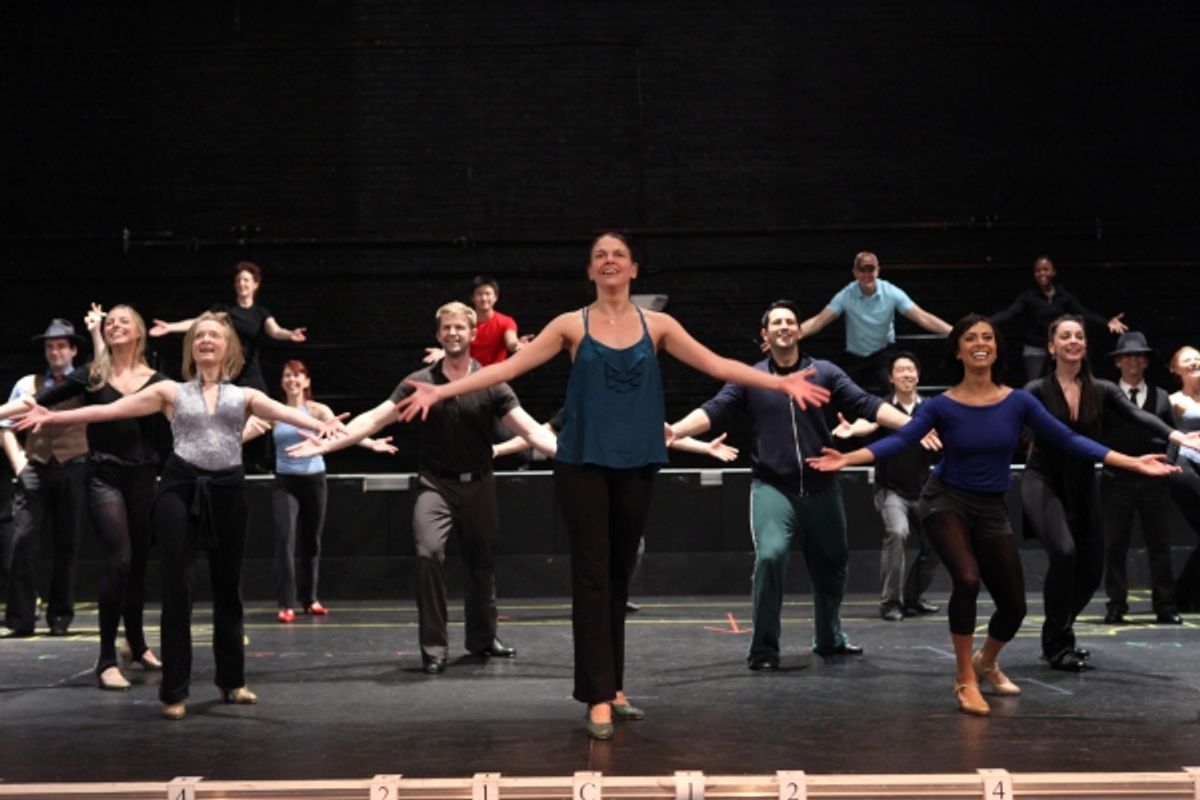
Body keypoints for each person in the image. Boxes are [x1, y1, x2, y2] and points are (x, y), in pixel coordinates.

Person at [396, 236, 831, 739]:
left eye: (618, 255)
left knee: (619, 577)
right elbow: (508, 368)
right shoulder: (569, 325)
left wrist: (780, 382)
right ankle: (597, 695)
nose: (609, 261)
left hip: (637, 463)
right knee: (593, 578)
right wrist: (442, 391)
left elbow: (716, 365)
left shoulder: (658, 326)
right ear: (590, 271)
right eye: (600, 255)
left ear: (634, 269)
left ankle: (615, 687)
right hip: (582, 463)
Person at [806, 314, 1179, 716]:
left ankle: (986, 660)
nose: (980, 343)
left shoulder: (1019, 402)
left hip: (990, 507)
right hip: (945, 499)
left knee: (1014, 607)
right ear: (958, 350)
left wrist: (1133, 462)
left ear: (997, 349)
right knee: (967, 578)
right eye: (970, 338)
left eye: (987, 337)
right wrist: (846, 458)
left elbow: (1070, 439)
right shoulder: (942, 405)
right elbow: (901, 439)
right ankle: (965, 677)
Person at [15, 312, 345, 720]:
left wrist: (327, 429)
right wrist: (54, 416)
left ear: (228, 348)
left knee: (228, 587)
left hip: (227, 491)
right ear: (191, 348)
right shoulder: (169, 391)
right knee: (178, 587)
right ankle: (174, 690)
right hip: (179, 489)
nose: (206, 340)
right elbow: (110, 411)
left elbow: (287, 413)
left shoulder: (245, 396)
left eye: (214, 335)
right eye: (199, 335)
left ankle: (232, 681)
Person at [286, 302, 557, 675]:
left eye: (459, 327)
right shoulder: (419, 382)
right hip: (435, 484)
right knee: (428, 553)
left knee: (481, 563)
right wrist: (328, 443)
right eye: (446, 328)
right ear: (438, 334)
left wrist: (572, 454)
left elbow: (530, 430)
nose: (453, 333)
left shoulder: (491, 381)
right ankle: (434, 648)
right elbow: (375, 418)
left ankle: (483, 638)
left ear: (473, 333)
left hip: (479, 484)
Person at [669, 300, 929, 670]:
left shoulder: (825, 372)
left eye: (790, 321)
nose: (784, 326)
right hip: (774, 488)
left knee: (833, 563)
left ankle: (829, 638)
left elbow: (867, 404)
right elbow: (714, 409)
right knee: (771, 556)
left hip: (822, 487)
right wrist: (675, 430)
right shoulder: (751, 377)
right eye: (776, 322)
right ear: (765, 334)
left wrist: (913, 424)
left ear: (799, 330)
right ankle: (763, 650)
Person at [0, 305, 168, 687]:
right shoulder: (93, 375)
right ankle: (106, 659)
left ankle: (137, 642)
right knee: (119, 559)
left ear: (139, 332)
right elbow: (37, 401)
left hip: (143, 476)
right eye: (110, 323)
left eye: (123, 321)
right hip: (103, 476)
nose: (115, 325)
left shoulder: (157, 380)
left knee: (138, 564)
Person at [1022, 315, 1198, 670]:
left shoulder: (1100, 389)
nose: (1074, 341)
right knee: (1065, 553)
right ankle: (1057, 643)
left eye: (1079, 336)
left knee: (1090, 570)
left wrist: (1177, 435)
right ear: (1052, 346)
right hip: (1044, 479)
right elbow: (1014, 428)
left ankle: (1058, 632)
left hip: (1082, 481)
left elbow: (1137, 415)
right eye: (1065, 336)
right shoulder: (1036, 391)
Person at [244, 360, 397, 624]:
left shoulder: (317, 410)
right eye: (287, 375)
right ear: (282, 382)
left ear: (306, 381)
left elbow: (345, 433)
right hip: (285, 483)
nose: (292, 380)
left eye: (297, 375)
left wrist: (372, 444)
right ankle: (286, 603)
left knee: (311, 541)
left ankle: (310, 598)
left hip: (314, 481)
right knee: (285, 540)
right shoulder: (275, 412)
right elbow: (245, 432)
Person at [833, 351, 942, 621]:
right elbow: (867, 423)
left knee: (937, 544)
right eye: (900, 370)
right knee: (897, 532)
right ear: (891, 378)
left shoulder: (930, 407)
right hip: (891, 489)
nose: (907, 374)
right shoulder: (883, 406)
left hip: (924, 491)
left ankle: (913, 598)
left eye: (911, 369)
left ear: (918, 376)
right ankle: (891, 602)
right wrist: (853, 429)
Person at [0, 319, 90, 639]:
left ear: (73, 350)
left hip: (73, 465)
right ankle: (20, 619)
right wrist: (19, 464)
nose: (55, 352)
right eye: (50, 347)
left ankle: (60, 617)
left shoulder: (84, 382)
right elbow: (5, 427)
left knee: (67, 544)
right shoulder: (28, 384)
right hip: (36, 468)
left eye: (61, 346)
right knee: (22, 541)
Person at [1100, 332, 1182, 624]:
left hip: (1154, 482)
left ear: (1146, 362)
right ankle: (1116, 604)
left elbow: (1172, 433)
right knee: (1115, 545)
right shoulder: (1107, 396)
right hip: (1117, 479)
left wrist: (1167, 464)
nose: (1134, 361)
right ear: (1118, 362)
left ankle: (1165, 605)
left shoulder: (1160, 396)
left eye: (1139, 356)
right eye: (1128, 356)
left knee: (1159, 545)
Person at [799, 251, 952, 394]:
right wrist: (794, 334)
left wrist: (954, 332)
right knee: (842, 390)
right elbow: (819, 321)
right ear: (855, 272)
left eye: (870, 270)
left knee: (893, 387)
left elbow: (922, 317)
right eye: (862, 270)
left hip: (884, 351)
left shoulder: (891, 292)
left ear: (877, 271)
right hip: (855, 354)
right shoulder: (846, 295)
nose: (867, 274)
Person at [990, 255, 1128, 383]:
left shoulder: (1063, 295)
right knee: (1036, 386)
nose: (1042, 273)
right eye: (1038, 270)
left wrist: (1107, 322)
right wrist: (986, 322)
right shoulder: (1028, 296)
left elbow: (1083, 312)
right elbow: (1009, 313)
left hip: (1058, 348)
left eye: (1046, 270)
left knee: (1060, 383)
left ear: (1053, 272)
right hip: (1035, 348)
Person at [424, 275, 532, 366]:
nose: (484, 298)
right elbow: (457, 343)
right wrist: (443, 353)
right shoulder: (464, 322)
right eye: (479, 294)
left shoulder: (506, 322)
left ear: (495, 297)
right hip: (468, 376)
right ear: (472, 297)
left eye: (488, 294)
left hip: (495, 377)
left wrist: (518, 346)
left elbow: (511, 342)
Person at [1168, 345, 1200, 612]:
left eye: (1198, 359)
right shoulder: (1174, 400)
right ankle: (1182, 593)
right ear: (1175, 369)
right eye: (1188, 360)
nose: (1195, 363)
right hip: (1186, 467)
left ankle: (1184, 593)